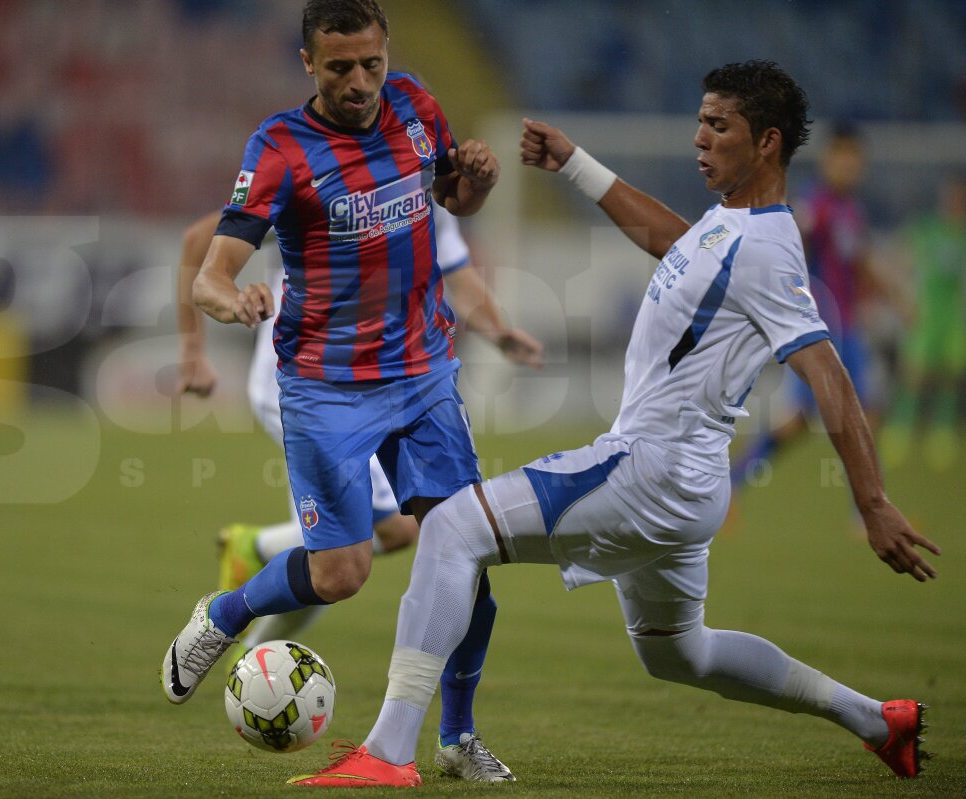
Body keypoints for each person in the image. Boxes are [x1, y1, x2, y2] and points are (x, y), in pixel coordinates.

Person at [289, 60, 940, 788]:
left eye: (717, 125)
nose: (699, 138)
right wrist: (574, 164)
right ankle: (880, 722)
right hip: (686, 487)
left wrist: (874, 502)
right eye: (700, 120)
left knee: (450, 528)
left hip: (649, 470)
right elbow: (673, 240)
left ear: (767, 142)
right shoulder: (729, 226)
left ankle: (386, 752)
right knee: (678, 652)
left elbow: (827, 372)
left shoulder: (768, 246)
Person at [164, 0, 518, 781]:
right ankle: (224, 613)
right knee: (341, 574)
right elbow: (212, 273)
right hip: (326, 387)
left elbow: (453, 202)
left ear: (386, 53)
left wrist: (477, 184)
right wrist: (237, 300)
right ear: (307, 65)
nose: (360, 83)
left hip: (424, 372)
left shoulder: (418, 106)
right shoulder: (282, 147)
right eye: (339, 69)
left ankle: (456, 739)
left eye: (371, 63)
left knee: (468, 551)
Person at [176, 204, 543, 658]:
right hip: (305, 386)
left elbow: (457, 275)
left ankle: (250, 651)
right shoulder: (319, 179)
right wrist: (193, 351)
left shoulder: (424, 185)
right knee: (377, 538)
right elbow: (199, 241)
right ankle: (253, 559)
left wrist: (499, 331)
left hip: (373, 390)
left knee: (333, 557)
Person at [730, 123, 881, 490]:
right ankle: (732, 482)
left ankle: (868, 510)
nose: (849, 168)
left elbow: (859, 263)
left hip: (848, 327)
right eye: (843, 159)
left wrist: (889, 296)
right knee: (812, 419)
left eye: (855, 161)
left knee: (859, 416)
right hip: (821, 328)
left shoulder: (851, 211)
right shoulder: (816, 205)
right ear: (829, 160)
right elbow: (790, 248)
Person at [881, 172, 966, 471]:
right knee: (914, 374)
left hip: (954, 317)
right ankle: (900, 429)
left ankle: (941, 431)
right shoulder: (929, 230)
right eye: (951, 196)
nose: (954, 203)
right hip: (927, 313)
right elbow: (900, 260)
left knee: (949, 375)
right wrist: (904, 298)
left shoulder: (962, 235)